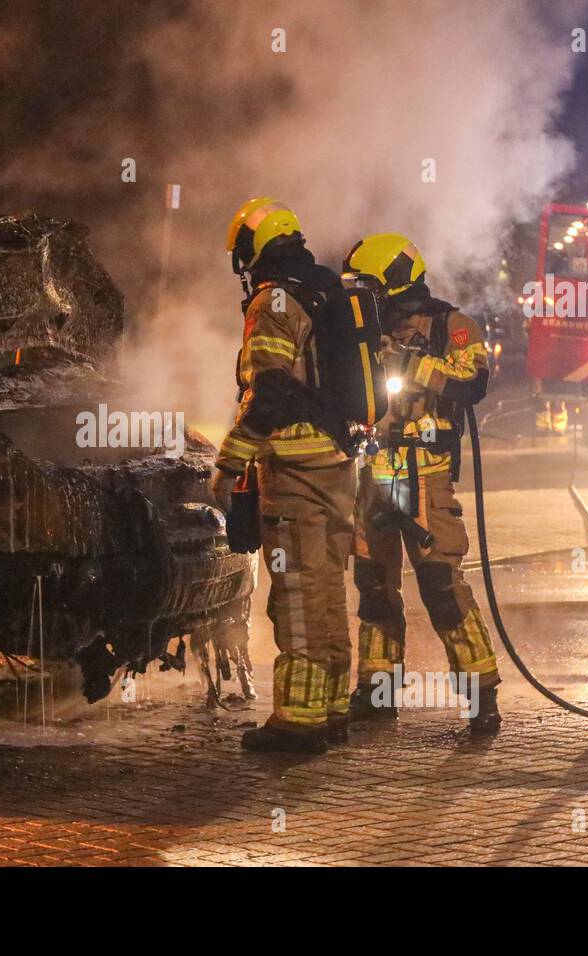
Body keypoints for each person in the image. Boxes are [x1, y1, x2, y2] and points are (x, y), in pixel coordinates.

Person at [209, 198, 358, 754]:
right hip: (339, 465)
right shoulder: (324, 288)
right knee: (324, 589)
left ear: (255, 245)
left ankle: (298, 722)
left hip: (294, 469)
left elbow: (268, 391)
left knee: (295, 593)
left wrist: (229, 461)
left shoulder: (273, 300)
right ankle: (332, 708)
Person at [342, 233, 502, 734]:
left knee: (440, 584)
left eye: (368, 285)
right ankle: (377, 689)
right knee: (374, 587)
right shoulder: (361, 328)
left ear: (393, 280)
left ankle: (481, 695)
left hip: (425, 476)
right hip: (374, 476)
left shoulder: (452, 326)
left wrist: (409, 363)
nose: (361, 295)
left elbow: (472, 382)